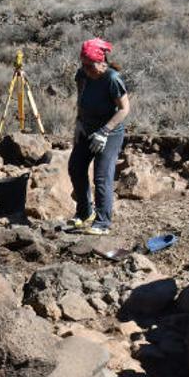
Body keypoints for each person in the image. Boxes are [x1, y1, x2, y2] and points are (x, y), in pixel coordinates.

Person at [68, 38, 131, 235]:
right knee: (76, 167)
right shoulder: (83, 75)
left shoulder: (112, 79)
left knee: (102, 176)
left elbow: (124, 109)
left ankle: (103, 222)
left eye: (90, 65)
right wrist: (78, 122)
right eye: (83, 65)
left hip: (110, 132)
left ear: (101, 62)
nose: (86, 69)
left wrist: (105, 131)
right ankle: (85, 212)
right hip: (87, 129)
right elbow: (80, 98)